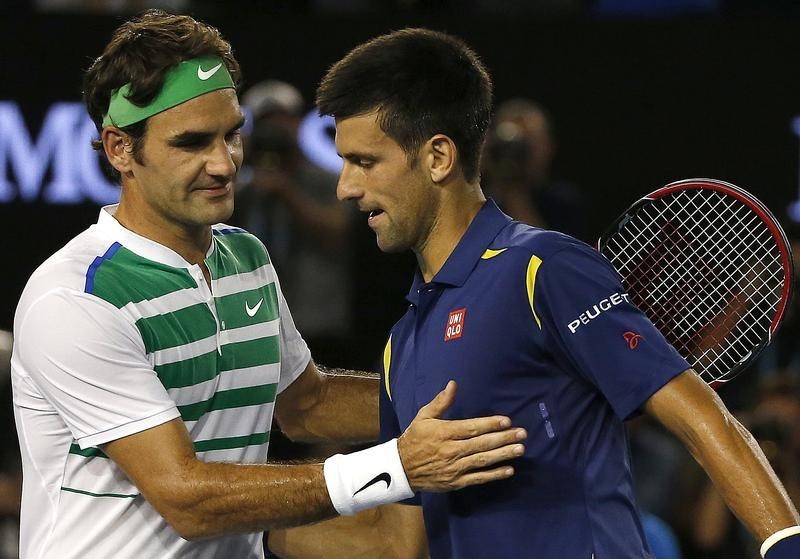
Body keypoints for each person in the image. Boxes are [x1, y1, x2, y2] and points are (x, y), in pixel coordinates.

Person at [9, 12, 528, 558]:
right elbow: (187, 499)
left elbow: (308, 406)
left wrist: (484, 392)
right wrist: (396, 464)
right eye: (191, 143)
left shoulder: (244, 256)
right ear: (120, 149)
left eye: (232, 135)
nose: (223, 163)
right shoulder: (75, 298)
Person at [311, 27, 800, 559]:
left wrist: (785, 544)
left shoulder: (543, 269)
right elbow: (397, 543)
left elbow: (700, 416)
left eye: (363, 161)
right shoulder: (401, 344)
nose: (345, 187)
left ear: (437, 158)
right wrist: (238, 529)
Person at [234, 79, 354, 367]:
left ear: (298, 123)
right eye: (266, 122)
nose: (275, 130)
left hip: (318, 323)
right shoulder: (240, 187)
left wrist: (286, 191)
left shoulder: (327, 179)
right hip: (258, 325)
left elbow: (338, 233)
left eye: (282, 121)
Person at [483, 98, 591, 241]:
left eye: (527, 143)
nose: (514, 153)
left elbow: (552, 256)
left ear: (548, 146)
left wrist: (514, 193)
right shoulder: (478, 199)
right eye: (507, 145)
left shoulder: (564, 203)